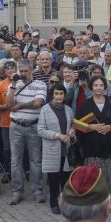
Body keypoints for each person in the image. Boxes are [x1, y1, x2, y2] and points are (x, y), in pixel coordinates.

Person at [77, 75, 111, 210]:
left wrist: (110, 127)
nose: (98, 88)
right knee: (94, 174)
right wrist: (92, 127)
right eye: (95, 85)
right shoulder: (86, 104)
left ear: (104, 87)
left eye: (101, 85)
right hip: (93, 147)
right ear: (91, 87)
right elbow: (78, 125)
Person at [6, 59, 47, 205]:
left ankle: (37, 190)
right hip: (16, 126)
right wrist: (12, 85)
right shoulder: (14, 85)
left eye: (26, 71)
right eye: (21, 71)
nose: (23, 74)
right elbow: (9, 104)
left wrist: (19, 106)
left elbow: (38, 104)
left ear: (31, 71)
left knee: (35, 160)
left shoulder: (40, 84)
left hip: (33, 126)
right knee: (15, 161)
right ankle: (17, 191)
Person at [37, 83, 74, 214]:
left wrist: (72, 131)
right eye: (56, 93)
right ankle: (54, 203)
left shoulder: (68, 109)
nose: (59, 96)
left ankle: (63, 202)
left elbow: (72, 125)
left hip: (66, 150)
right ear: (52, 95)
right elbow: (40, 130)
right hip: (52, 150)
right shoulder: (45, 109)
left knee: (65, 180)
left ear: (64, 95)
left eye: (61, 93)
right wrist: (58, 135)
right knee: (53, 180)